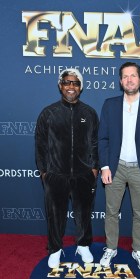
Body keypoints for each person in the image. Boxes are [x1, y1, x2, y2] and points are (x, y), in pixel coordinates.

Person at [98, 62, 140, 271]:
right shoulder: (110, 104)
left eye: (133, 75)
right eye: (125, 76)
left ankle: (138, 250)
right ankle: (111, 248)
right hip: (115, 168)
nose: (129, 80)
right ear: (120, 81)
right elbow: (103, 138)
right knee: (111, 211)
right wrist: (105, 166)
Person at [35, 68, 99, 268]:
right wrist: (44, 172)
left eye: (75, 83)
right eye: (67, 82)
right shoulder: (48, 113)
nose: (71, 86)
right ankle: (55, 248)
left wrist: (94, 168)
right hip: (56, 175)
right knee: (55, 214)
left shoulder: (89, 113)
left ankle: (83, 245)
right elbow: (40, 145)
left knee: (84, 213)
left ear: (81, 87)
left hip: (83, 174)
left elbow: (95, 143)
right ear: (60, 86)